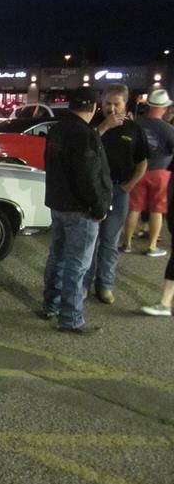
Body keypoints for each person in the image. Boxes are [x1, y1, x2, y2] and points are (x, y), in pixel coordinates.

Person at [41, 86, 112, 335]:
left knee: (57, 257)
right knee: (77, 264)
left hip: (58, 203)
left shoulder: (57, 129)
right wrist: (99, 206)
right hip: (80, 209)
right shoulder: (85, 134)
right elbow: (89, 175)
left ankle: (50, 304)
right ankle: (70, 319)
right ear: (93, 107)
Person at [83, 84, 148, 304]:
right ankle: (84, 284)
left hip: (119, 191)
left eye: (116, 104)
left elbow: (142, 162)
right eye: (107, 104)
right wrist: (103, 127)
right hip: (93, 191)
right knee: (90, 241)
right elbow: (84, 152)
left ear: (125, 104)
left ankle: (105, 286)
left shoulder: (134, 129)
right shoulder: (92, 125)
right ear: (100, 104)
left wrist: (129, 186)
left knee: (110, 241)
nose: (111, 109)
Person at [121, 88, 174, 257]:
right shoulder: (168, 129)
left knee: (134, 208)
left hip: (138, 171)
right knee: (157, 210)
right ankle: (152, 246)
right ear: (164, 108)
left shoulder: (136, 123)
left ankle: (126, 244)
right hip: (160, 173)